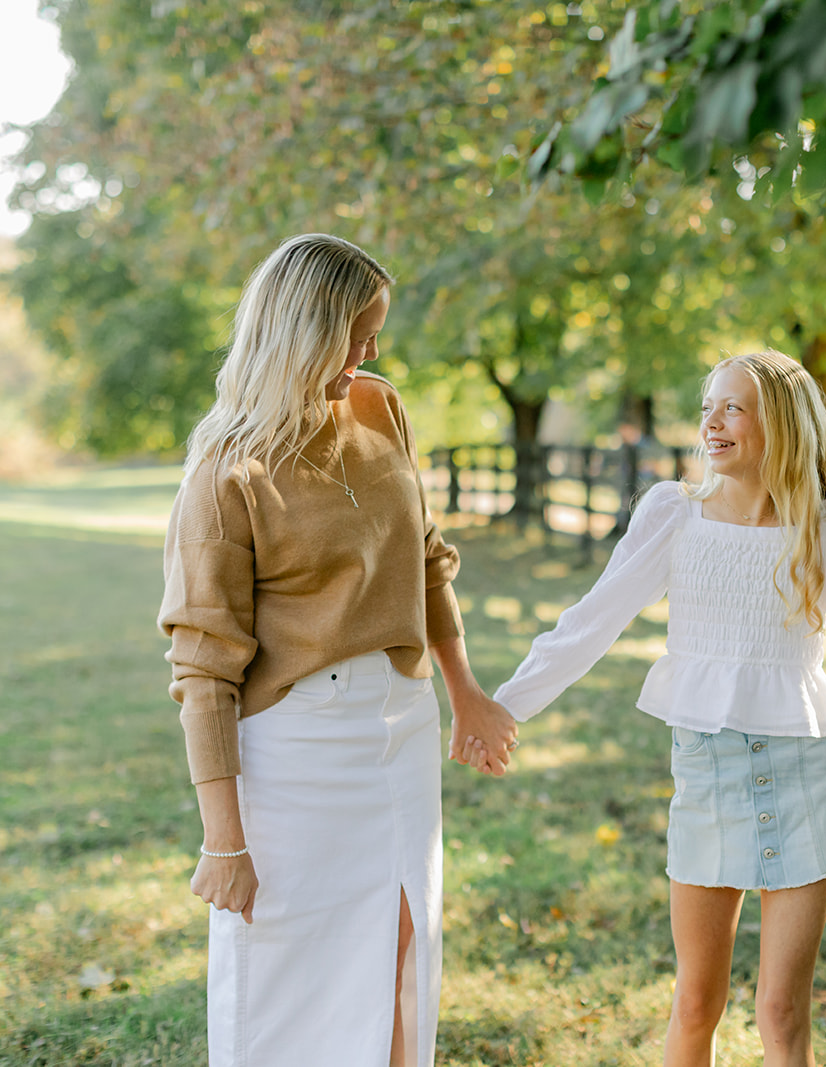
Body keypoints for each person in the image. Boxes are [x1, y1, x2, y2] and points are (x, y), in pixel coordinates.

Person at [484, 350, 826, 1067]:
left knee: (782, 1011)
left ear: (780, 424)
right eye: (707, 408)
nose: (711, 423)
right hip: (709, 773)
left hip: (805, 776)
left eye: (732, 408)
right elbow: (592, 620)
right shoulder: (674, 513)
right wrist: (506, 705)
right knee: (696, 1000)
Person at [157, 233, 518, 1067]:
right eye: (357, 335)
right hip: (298, 750)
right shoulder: (225, 473)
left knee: (404, 941)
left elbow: (425, 558)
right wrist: (224, 841)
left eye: (375, 332)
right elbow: (204, 670)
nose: (372, 353)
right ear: (303, 333)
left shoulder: (380, 408)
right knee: (291, 967)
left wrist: (465, 691)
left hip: (402, 725)